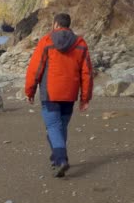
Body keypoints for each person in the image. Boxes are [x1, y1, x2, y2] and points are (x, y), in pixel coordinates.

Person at [25, 13, 93, 178]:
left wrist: (30, 90)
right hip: (69, 94)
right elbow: (87, 73)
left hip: (50, 93)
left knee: (54, 127)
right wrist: (85, 98)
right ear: (69, 25)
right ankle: (56, 158)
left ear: (55, 24)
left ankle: (61, 159)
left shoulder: (47, 41)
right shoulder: (81, 43)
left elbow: (36, 68)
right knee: (60, 127)